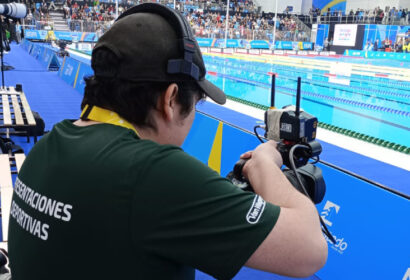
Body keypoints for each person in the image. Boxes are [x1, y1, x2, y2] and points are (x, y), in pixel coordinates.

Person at [7, 3, 327, 280]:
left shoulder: (49, 144)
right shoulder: (150, 172)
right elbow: (310, 249)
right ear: (171, 99)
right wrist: (265, 163)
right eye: (195, 108)